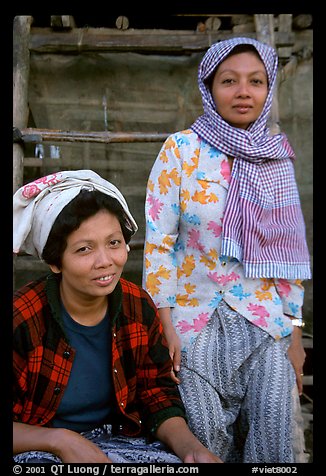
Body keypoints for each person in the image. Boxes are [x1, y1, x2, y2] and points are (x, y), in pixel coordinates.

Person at [142, 37, 311, 463]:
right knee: (203, 444)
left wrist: (294, 334)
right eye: (229, 81)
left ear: (268, 89)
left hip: (264, 323)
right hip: (192, 321)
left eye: (255, 81)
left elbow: (287, 256)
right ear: (209, 87)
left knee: (272, 448)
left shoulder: (276, 157)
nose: (243, 92)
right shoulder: (180, 151)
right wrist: (164, 323)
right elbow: (159, 243)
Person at [13, 169, 222, 464]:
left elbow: (156, 395)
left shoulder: (137, 306)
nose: (105, 262)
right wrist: (59, 440)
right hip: (39, 449)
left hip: (121, 441)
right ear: (54, 262)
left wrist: (191, 448)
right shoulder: (22, 318)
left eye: (113, 243)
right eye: (84, 249)